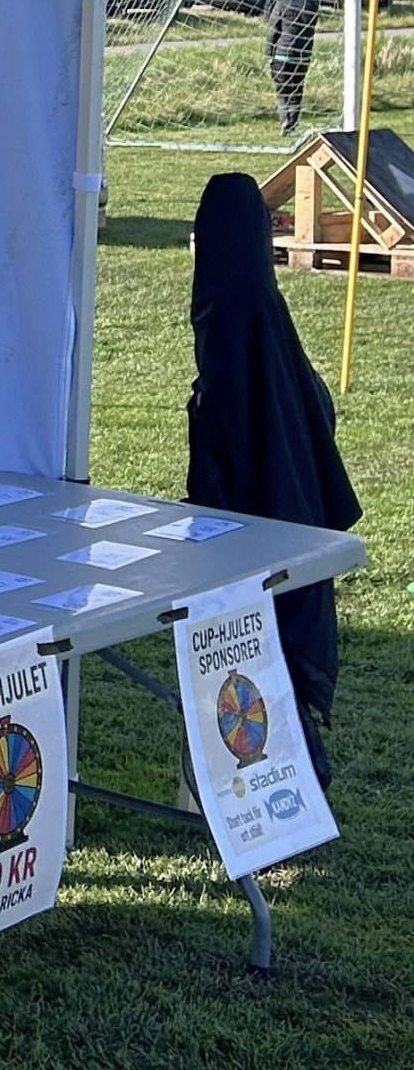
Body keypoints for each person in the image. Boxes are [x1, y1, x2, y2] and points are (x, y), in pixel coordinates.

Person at [187, 172, 360, 786]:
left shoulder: (229, 321)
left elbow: (233, 440)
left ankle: (291, 785)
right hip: (287, 513)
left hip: (256, 528)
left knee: (261, 667)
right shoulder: (262, 310)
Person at [264, 0, 318, 136]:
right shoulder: (312, 7)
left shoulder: (281, 4)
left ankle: (285, 120)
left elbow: (273, 31)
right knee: (296, 90)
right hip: (302, 56)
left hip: (282, 55)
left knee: (283, 90)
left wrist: (269, 52)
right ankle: (292, 123)